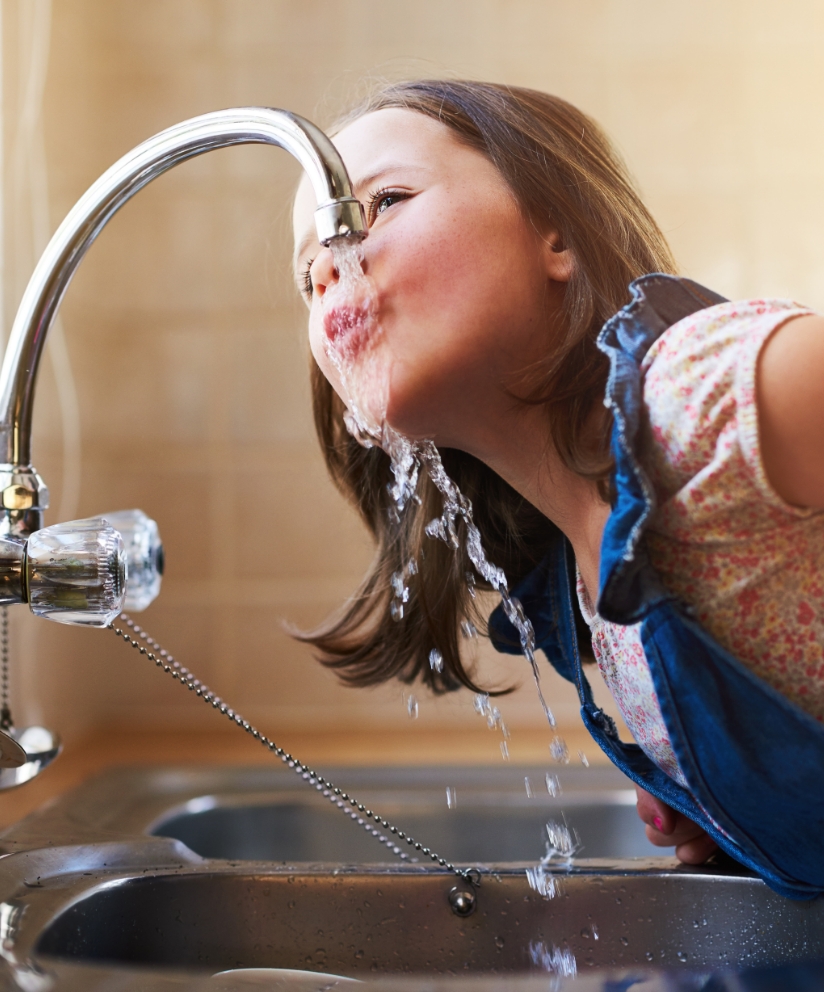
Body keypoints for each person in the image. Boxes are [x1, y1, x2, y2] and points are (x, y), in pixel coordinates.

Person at [291, 79, 824, 899]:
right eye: (307, 273)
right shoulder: (572, 583)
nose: (334, 263)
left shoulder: (707, 397)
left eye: (382, 202)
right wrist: (720, 791)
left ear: (558, 236)